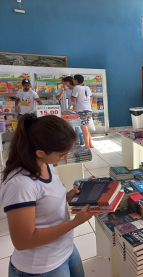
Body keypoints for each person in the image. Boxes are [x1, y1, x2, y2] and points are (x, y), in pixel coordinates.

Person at [0, 114, 93, 277]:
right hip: (41, 266)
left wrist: (67, 197)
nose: (65, 158)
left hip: (65, 248)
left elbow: (42, 206)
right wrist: (75, 223)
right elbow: (23, 241)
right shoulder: (20, 184)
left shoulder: (45, 165)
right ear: (40, 152)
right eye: (61, 154)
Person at [71, 74, 93, 148]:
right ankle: (90, 144)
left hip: (82, 110)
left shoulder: (76, 87)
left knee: (84, 128)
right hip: (88, 109)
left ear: (76, 80)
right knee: (86, 127)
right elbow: (91, 98)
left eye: (73, 79)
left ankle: (87, 145)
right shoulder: (87, 87)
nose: (73, 81)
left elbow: (73, 99)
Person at [63, 76, 85, 146]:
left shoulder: (77, 88)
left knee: (78, 126)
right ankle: (76, 140)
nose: (64, 83)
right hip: (70, 109)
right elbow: (69, 100)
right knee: (73, 126)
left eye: (65, 82)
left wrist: (76, 106)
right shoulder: (67, 90)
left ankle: (81, 139)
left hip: (77, 109)